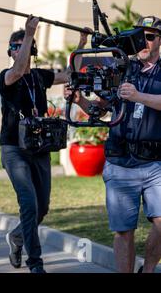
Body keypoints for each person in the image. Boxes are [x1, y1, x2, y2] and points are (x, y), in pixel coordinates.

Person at [65, 16, 161, 273]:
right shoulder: (121, 67)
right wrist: (79, 101)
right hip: (120, 161)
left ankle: (149, 269)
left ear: (159, 41)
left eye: (150, 37)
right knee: (123, 230)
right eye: (139, 36)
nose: (144, 42)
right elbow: (100, 109)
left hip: (155, 163)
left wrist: (139, 96)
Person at [0, 16, 90, 273]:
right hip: (14, 150)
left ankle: (17, 237)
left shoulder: (40, 76)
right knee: (28, 204)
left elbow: (70, 73)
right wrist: (28, 34)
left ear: (33, 50)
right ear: (11, 51)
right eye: (16, 47)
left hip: (38, 148)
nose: (21, 50)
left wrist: (82, 43)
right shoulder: (6, 76)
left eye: (25, 46)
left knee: (42, 208)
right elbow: (17, 71)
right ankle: (35, 263)